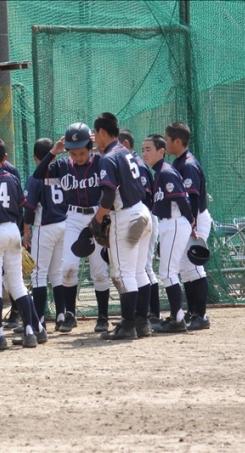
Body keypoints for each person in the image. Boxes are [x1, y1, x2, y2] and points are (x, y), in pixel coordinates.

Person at [32, 122, 111, 333]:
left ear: (90, 148)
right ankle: (70, 315)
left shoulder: (101, 161)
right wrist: (53, 152)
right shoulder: (62, 166)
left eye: (82, 152)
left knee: (99, 270)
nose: (78, 157)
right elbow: (38, 175)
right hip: (73, 217)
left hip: (98, 215)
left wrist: (102, 149)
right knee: (67, 267)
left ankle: (103, 316)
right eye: (74, 153)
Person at [0, 138, 47, 350]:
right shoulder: (12, 178)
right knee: (17, 284)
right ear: (4, 157)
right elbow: (22, 209)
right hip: (12, 230)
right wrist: (18, 236)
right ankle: (30, 332)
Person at [91, 112, 152, 340]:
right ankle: (142, 322)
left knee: (123, 274)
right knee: (139, 272)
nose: (95, 138)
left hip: (126, 217)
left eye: (96, 133)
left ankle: (127, 326)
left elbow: (108, 196)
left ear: (102, 132)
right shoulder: (125, 151)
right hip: (143, 212)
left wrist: (96, 220)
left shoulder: (108, 158)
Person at [141, 134, 193, 333]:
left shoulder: (166, 172)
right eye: (143, 149)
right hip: (169, 223)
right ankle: (176, 317)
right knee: (168, 272)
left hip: (175, 222)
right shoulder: (159, 172)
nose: (145, 153)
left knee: (168, 272)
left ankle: (178, 320)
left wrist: (191, 221)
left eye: (149, 149)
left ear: (161, 151)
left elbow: (182, 200)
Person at [165, 122, 212, 331]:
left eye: (167, 139)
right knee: (185, 268)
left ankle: (201, 315)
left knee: (193, 267)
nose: (165, 142)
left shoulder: (188, 165)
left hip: (196, 218)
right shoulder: (179, 162)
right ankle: (193, 312)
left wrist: (192, 225)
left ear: (177, 141)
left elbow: (192, 198)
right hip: (188, 219)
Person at [22, 138, 67, 331]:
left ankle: (39, 320)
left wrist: (26, 231)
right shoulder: (62, 173)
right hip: (64, 225)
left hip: (45, 227)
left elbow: (29, 208)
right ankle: (61, 315)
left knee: (39, 274)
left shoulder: (36, 177)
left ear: (35, 157)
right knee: (57, 273)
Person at [119, 129, 159, 322]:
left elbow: (145, 197)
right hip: (140, 218)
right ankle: (140, 314)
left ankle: (154, 313)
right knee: (137, 269)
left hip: (145, 217)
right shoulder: (130, 162)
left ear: (125, 144)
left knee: (145, 267)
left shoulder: (137, 165)